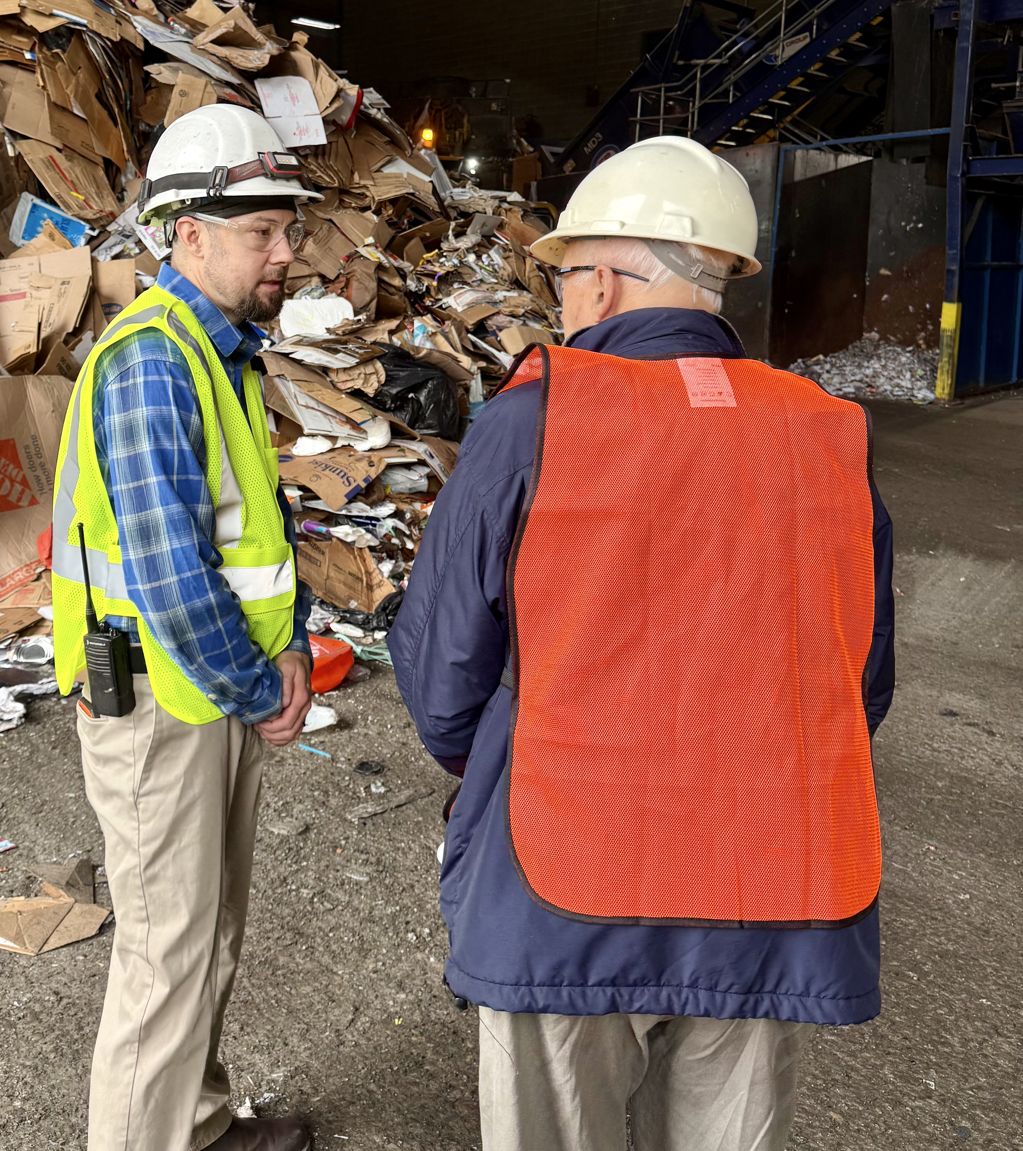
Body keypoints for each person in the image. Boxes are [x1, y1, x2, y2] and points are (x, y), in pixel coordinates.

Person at [390, 135, 895, 1151]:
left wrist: (484, 760)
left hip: (564, 876)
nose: (562, 301)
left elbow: (443, 657)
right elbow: (858, 678)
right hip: (775, 876)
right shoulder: (826, 431)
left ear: (608, 280)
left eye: (567, 275)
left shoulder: (535, 417)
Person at [52, 104, 319, 1151]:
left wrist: (286, 645)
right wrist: (268, 689)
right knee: (166, 952)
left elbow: (249, 531)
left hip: (210, 684)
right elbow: (169, 574)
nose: (286, 251)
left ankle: (197, 1125)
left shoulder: (224, 353)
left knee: (207, 935)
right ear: (188, 233)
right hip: (164, 700)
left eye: (287, 228)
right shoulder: (155, 362)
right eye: (262, 231)